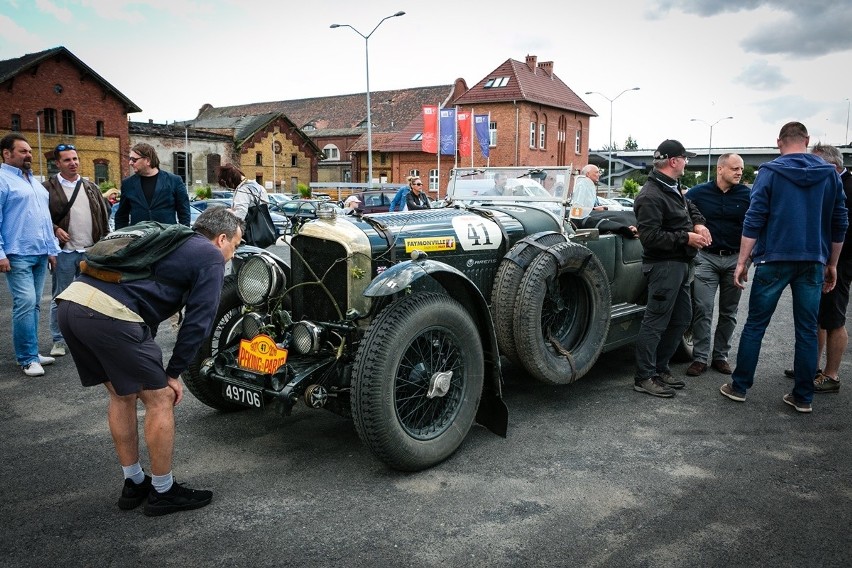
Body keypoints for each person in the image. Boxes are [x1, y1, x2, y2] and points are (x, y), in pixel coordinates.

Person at [56, 206, 244, 516]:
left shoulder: (172, 239)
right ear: (221, 239)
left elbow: (144, 291)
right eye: (234, 246)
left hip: (71, 304)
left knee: (122, 393)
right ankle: (163, 491)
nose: (232, 255)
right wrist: (173, 374)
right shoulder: (209, 256)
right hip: (108, 315)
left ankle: (134, 483)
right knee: (160, 399)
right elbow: (199, 322)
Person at [720, 123, 847, 414]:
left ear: (779, 142)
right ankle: (803, 396)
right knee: (805, 329)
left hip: (773, 260)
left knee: (755, 326)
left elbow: (754, 219)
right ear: (807, 140)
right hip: (813, 261)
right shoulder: (829, 174)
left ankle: (739, 387)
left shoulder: (770, 172)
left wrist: (742, 261)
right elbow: (840, 222)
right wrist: (832, 263)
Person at [632, 139, 709, 397]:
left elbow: (690, 208)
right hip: (664, 266)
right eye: (685, 158)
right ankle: (643, 377)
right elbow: (650, 238)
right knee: (655, 323)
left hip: (680, 264)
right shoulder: (650, 195)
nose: (687, 162)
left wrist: (698, 225)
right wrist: (686, 238)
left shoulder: (672, 187)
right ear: (674, 161)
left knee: (681, 319)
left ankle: (660, 368)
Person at [781, 143, 851, 394]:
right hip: (822, 259)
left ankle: (831, 375)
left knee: (833, 318)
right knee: (817, 317)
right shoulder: (830, 182)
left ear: (832, 166)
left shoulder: (845, 186)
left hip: (839, 262)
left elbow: (841, 228)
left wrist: (832, 262)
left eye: (815, 164)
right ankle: (811, 368)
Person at [683, 154, 750, 376]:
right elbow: (682, 215)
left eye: (741, 168)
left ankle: (720, 356)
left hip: (735, 260)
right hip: (706, 258)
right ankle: (700, 357)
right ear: (720, 169)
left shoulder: (748, 195)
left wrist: (747, 259)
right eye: (734, 168)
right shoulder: (698, 193)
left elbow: (756, 225)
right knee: (703, 308)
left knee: (729, 311)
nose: (739, 172)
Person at [0, 133, 61, 376]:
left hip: (39, 253)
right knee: (24, 303)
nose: (29, 155)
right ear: (7, 153)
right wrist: (0, 254)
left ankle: (32, 353)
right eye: (23, 151)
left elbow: (44, 220)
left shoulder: (34, 182)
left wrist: (51, 249)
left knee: (34, 304)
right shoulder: (3, 180)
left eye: (29, 151)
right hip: (17, 253)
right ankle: (26, 358)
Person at [44, 143, 111, 357]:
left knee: (92, 297)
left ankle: (88, 338)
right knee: (60, 298)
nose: (73, 163)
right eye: (67, 160)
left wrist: (104, 244)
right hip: (64, 252)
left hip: (90, 251)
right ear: (58, 163)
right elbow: (41, 218)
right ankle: (58, 340)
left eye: (75, 159)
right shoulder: (48, 188)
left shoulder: (90, 186)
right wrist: (55, 229)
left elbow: (103, 214)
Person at [114, 143, 190, 229]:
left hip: (167, 238)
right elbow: (121, 216)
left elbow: (184, 213)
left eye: (134, 160)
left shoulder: (174, 181)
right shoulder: (127, 184)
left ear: (148, 161)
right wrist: (121, 239)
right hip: (139, 239)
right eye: (130, 159)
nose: (130, 163)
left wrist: (183, 237)